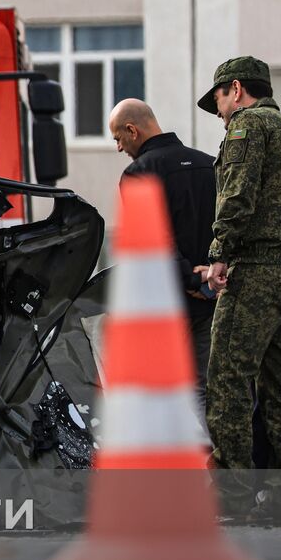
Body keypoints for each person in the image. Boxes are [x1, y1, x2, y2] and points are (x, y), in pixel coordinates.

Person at [197, 56, 281, 524]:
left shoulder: (247, 127)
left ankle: (232, 494)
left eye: (220, 100)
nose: (221, 112)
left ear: (237, 89)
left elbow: (238, 194)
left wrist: (220, 252)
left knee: (227, 376)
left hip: (256, 269)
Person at [108, 98, 217, 418]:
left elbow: (154, 242)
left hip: (166, 307)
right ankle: (207, 462)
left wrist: (191, 279)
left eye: (117, 138)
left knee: (162, 395)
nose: (118, 147)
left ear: (132, 130)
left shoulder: (138, 174)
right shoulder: (209, 164)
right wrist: (207, 279)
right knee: (203, 389)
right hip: (212, 299)